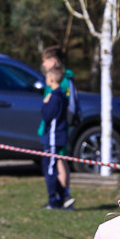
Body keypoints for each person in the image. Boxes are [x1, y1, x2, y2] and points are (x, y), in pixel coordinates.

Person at [39, 47, 79, 200]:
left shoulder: (62, 83)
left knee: (58, 162)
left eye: (45, 61)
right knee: (58, 161)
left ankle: (63, 196)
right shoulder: (57, 81)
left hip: (57, 131)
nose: (43, 65)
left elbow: (60, 110)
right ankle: (62, 196)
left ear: (53, 62)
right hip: (55, 130)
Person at [40, 66, 72, 210]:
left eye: (47, 77)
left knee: (50, 169)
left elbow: (47, 116)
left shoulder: (54, 97)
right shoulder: (63, 95)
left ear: (51, 79)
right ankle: (61, 196)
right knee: (49, 166)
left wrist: (45, 103)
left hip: (53, 137)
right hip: (57, 136)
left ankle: (55, 199)